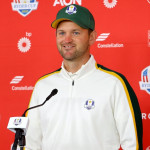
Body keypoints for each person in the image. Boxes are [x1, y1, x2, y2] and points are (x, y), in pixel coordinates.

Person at [25, 4, 143, 150]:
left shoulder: (114, 83)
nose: (67, 40)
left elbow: (132, 144)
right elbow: (31, 143)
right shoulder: (43, 86)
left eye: (75, 33)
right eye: (61, 33)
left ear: (92, 37)